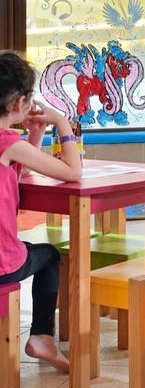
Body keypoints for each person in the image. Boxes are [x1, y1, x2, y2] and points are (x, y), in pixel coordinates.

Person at [0, 51, 82, 373]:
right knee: (49, 254)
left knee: (37, 250)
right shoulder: (9, 144)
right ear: (20, 102)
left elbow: (17, 169)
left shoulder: (12, 145)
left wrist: (34, 133)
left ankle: (42, 337)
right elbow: (73, 171)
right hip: (2, 264)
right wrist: (61, 122)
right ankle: (41, 337)